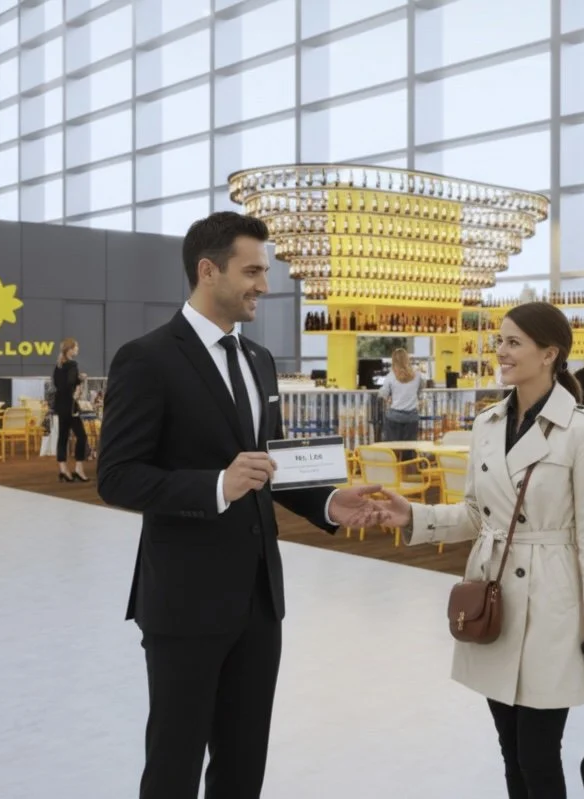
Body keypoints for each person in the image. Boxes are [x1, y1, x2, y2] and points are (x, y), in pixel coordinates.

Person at [96, 211, 382, 799]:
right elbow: (118, 477)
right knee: (173, 765)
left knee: (244, 762)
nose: (265, 284)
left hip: (258, 600)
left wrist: (328, 501)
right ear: (208, 270)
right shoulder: (147, 358)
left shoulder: (257, 361)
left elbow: (265, 465)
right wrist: (214, 487)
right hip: (184, 600)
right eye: (252, 270)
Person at [375, 302, 584, 799]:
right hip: (495, 598)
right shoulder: (488, 423)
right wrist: (415, 517)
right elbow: (476, 513)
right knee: (510, 750)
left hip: (552, 604)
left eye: (514, 343)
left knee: (537, 754)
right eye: (500, 341)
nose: (500, 352)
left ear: (549, 353)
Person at [52, 337, 90, 482]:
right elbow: (70, 382)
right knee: (81, 436)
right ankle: (79, 468)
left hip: (60, 405)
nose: (78, 350)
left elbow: (58, 383)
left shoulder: (58, 365)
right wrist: (80, 379)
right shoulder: (73, 364)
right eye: (76, 347)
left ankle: (63, 468)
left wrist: (77, 379)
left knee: (62, 436)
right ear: (70, 349)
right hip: (70, 406)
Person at [379, 347, 423, 441]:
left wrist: (389, 400)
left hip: (394, 417)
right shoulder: (417, 375)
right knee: (410, 450)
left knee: (393, 449)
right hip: (412, 418)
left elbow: (383, 394)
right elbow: (419, 392)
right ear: (407, 359)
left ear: (393, 361)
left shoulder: (390, 376)